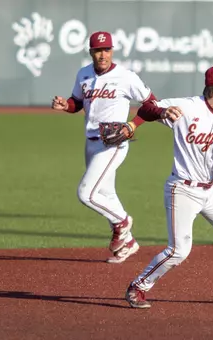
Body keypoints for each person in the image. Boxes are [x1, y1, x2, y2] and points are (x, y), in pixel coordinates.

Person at [123, 63, 213, 308]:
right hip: (182, 189)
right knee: (179, 251)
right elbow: (147, 107)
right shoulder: (186, 107)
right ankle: (139, 285)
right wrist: (161, 114)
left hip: (211, 189)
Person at [51, 31, 158, 264]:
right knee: (106, 194)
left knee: (86, 193)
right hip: (90, 142)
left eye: (107, 49)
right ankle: (128, 243)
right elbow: (77, 103)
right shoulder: (84, 74)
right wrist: (65, 106)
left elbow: (152, 104)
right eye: (98, 50)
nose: (103, 54)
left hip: (114, 143)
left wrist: (133, 124)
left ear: (112, 51)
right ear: (91, 52)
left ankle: (122, 222)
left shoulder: (126, 77)